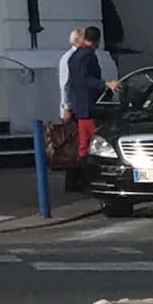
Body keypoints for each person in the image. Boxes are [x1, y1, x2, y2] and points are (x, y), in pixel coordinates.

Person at [56, 25, 106, 189]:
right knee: (94, 142)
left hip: (79, 106)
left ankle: (76, 180)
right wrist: (66, 106)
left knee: (82, 144)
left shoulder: (73, 57)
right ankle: (85, 180)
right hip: (85, 105)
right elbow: (69, 84)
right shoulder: (85, 56)